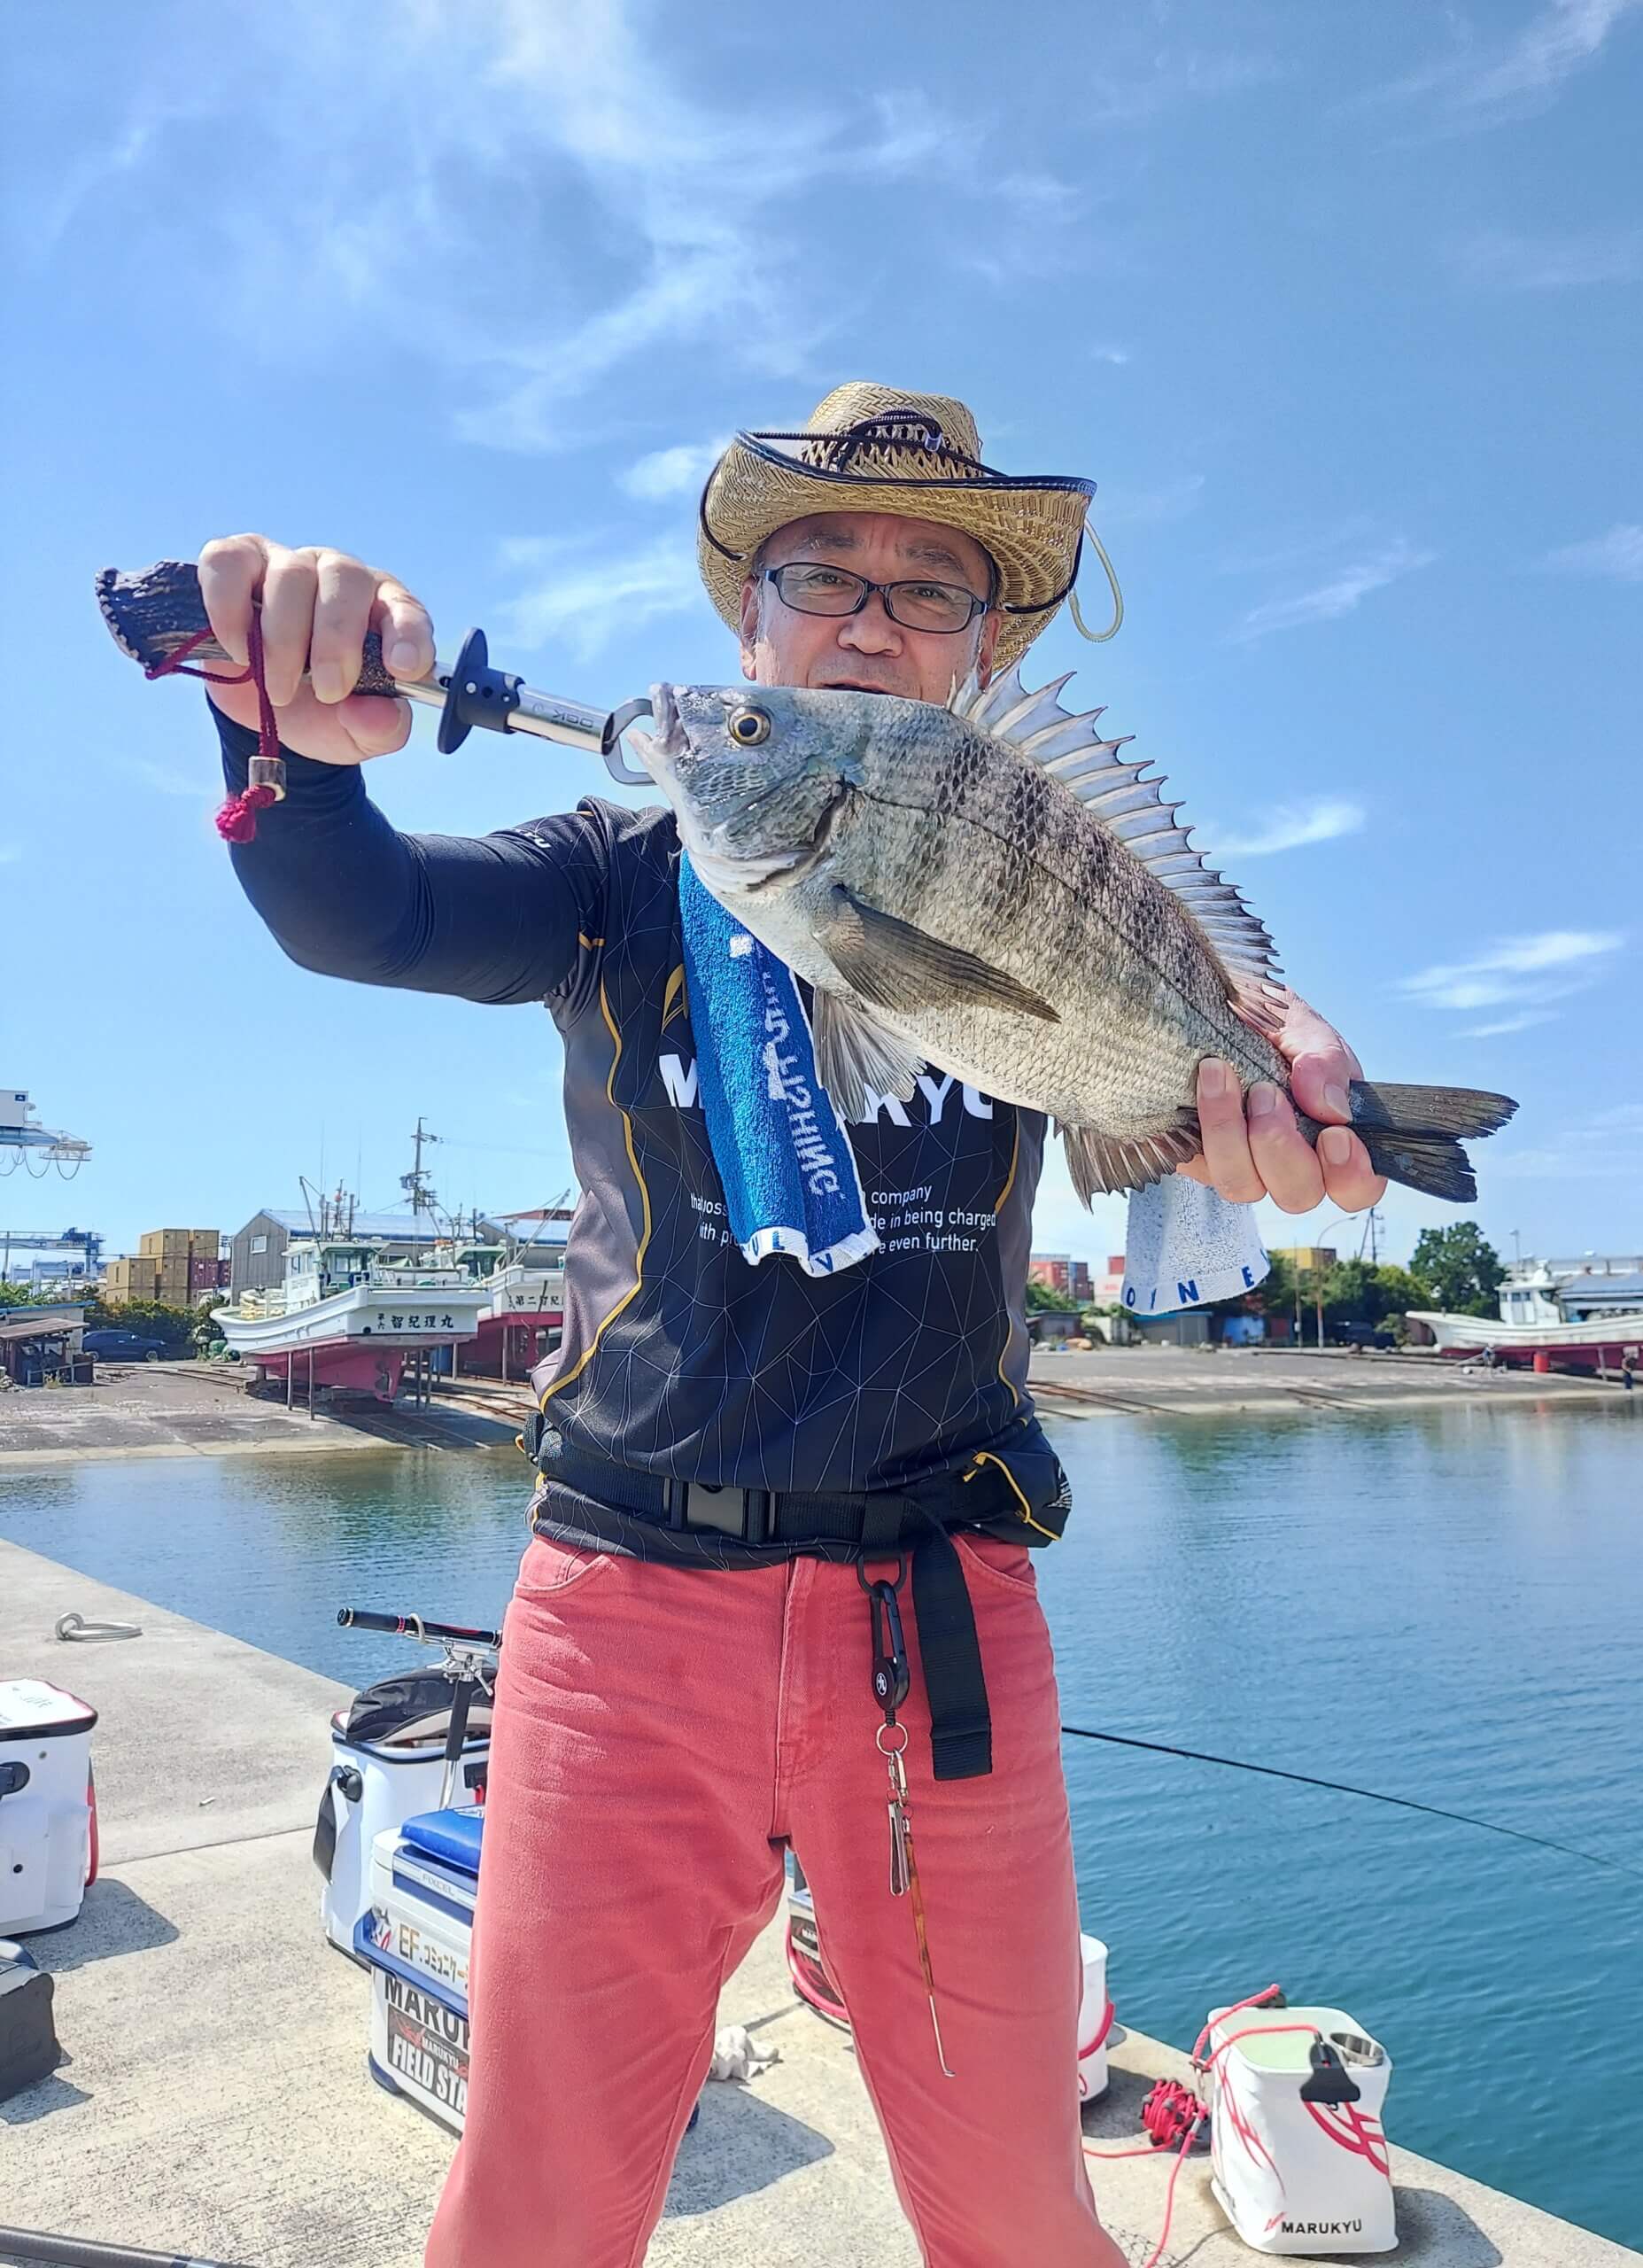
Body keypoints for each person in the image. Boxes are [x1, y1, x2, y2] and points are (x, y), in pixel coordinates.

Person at [199, 384, 1383, 2268]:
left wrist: (1290, 1077)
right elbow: (373, 911)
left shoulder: (1036, 852)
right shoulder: (619, 871)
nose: (870, 611)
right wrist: (292, 753)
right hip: (621, 1617)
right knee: (537, 2201)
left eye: (932, 589)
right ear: (749, 623)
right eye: (818, 568)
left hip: (947, 1620)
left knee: (1014, 2208)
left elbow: (1179, 1014)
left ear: (983, 655)